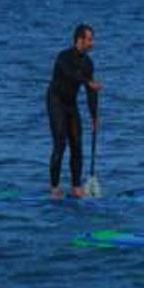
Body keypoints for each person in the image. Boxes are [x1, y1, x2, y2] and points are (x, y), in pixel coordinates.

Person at [45, 24, 102, 199]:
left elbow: (91, 92)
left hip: (71, 103)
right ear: (80, 40)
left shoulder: (88, 63)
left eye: (92, 39)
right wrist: (87, 81)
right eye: (89, 39)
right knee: (60, 144)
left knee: (77, 143)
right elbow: (70, 74)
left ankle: (76, 186)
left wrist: (93, 116)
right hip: (55, 102)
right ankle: (54, 187)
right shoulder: (63, 57)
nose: (93, 43)